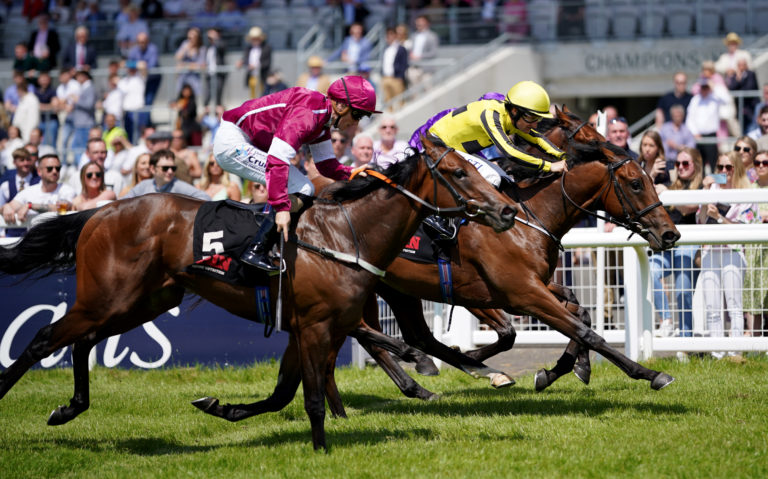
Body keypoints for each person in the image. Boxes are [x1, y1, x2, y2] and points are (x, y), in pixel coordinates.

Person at [212, 75, 380, 270]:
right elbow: (277, 159)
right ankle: (256, 249)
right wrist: (282, 207)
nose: (357, 123)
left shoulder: (322, 118)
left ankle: (263, 232)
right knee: (302, 187)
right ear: (341, 106)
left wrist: (352, 173)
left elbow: (326, 165)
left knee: (303, 187)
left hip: (244, 139)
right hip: (232, 142)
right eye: (358, 115)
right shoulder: (309, 113)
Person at [697, 151, 761, 356]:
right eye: (720, 168)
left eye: (728, 168)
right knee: (712, 304)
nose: (723, 172)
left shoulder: (746, 192)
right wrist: (705, 192)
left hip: (733, 251)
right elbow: (700, 221)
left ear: (737, 169)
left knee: (734, 304)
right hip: (711, 250)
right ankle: (717, 352)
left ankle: (735, 351)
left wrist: (719, 218)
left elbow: (745, 230)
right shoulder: (712, 188)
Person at [650, 147, 704, 338]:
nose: (680, 167)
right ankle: (667, 321)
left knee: (683, 290)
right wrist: (652, 175)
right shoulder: (671, 186)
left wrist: (667, 194)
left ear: (696, 165)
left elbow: (688, 209)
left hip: (689, 243)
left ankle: (686, 339)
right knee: (651, 272)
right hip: (668, 244)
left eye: (685, 163)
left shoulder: (702, 186)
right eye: (677, 164)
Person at [2, 154, 76, 230]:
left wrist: (30, 206)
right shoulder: (29, 191)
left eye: (58, 168)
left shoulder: (67, 190)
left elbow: (62, 208)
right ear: (39, 171)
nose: (54, 171)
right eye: (49, 168)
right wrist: (6, 207)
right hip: (34, 240)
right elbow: (9, 206)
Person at [743, 150, 768, 336]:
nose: (760, 166)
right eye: (757, 162)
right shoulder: (749, 187)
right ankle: (755, 342)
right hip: (753, 250)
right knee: (754, 297)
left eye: (765, 162)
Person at [123, 149, 210, 200]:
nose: (170, 171)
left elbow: (205, 198)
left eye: (173, 168)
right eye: (165, 168)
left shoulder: (179, 186)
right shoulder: (143, 186)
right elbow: (123, 202)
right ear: (153, 169)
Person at [686, 78, 727, 173]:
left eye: (706, 87)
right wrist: (695, 132)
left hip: (711, 135)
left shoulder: (715, 97)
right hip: (698, 136)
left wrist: (714, 88)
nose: (704, 89)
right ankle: (701, 186)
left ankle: (717, 185)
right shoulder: (695, 99)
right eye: (703, 87)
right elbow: (689, 119)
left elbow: (726, 100)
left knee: (715, 163)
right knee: (699, 164)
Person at [237, 27, 272, 99]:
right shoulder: (248, 48)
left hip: (263, 76)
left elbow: (267, 62)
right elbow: (246, 59)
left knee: (263, 95)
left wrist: (256, 66)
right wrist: (242, 62)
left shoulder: (266, 48)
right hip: (252, 75)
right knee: (253, 95)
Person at [725, 58, 759, 132]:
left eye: (742, 65)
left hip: (750, 107)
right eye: (739, 65)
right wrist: (738, 80)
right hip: (740, 108)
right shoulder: (735, 76)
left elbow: (749, 88)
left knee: (751, 128)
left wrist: (740, 84)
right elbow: (731, 88)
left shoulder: (751, 74)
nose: (741, 67)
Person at [380, 27, 408, 109]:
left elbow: (404, 64)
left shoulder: (401, 49)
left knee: (399, 101)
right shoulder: (386, 49)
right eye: (387, 35)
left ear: (395, 35)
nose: (389, 37)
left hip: (396, 78)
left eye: (391, 34)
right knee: (388, 101)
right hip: (386, 77)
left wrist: (400, 76)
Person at [174, 27, 206, 100]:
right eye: (189, 37)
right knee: (181, 99)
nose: (191, 39)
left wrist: (185, 65)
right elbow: (177, 57)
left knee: (194, 100)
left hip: (194, 79)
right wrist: (185, 48)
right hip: (183, 78)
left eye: (193, 37)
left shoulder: (201, 49)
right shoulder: (185, 44)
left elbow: (201, 66)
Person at [204, 27, 227, 112]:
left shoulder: (221, 43)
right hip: (209, 74)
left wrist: (215, 38)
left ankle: (220, 114)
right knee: (207, 95)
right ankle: (207, 112)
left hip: (219, 74)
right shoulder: (208, 47)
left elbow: (221, 48)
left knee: (218, 95)